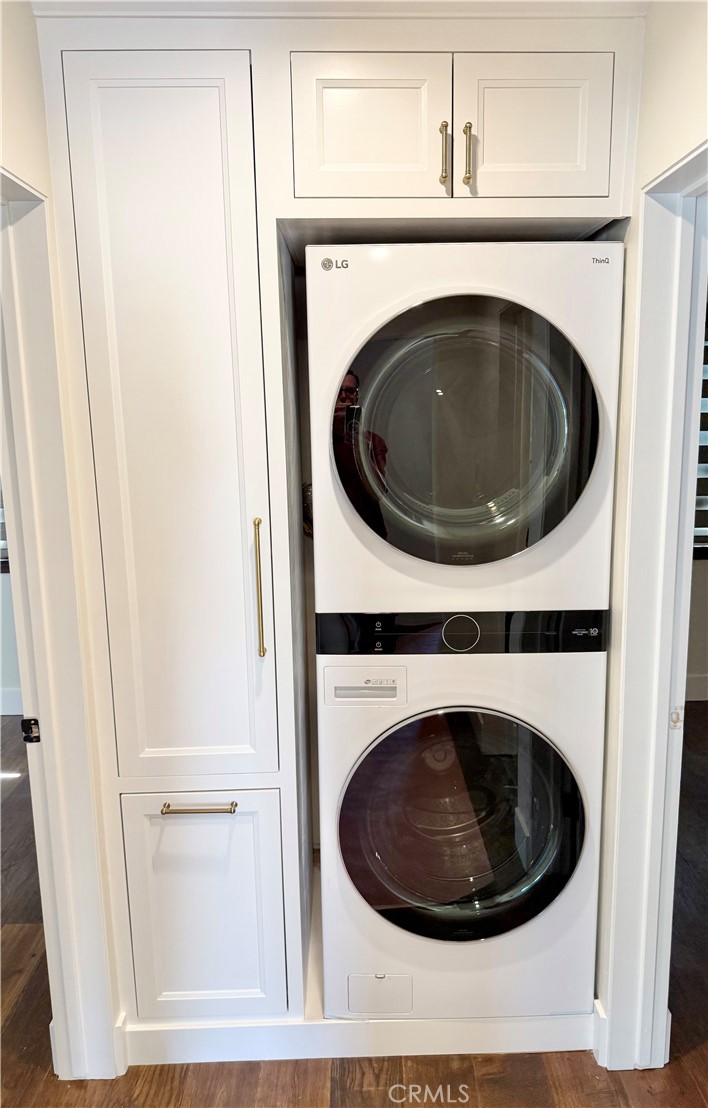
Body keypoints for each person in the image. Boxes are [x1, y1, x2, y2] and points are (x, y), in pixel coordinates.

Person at [332, 372, 388, 538]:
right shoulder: (319, 443)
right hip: (332, 526)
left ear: (356, 397)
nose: (343, 397)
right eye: (338, 391)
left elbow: (379, 491)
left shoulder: (372, 441)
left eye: (349, 391)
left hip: (369, 526)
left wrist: (362, 449)